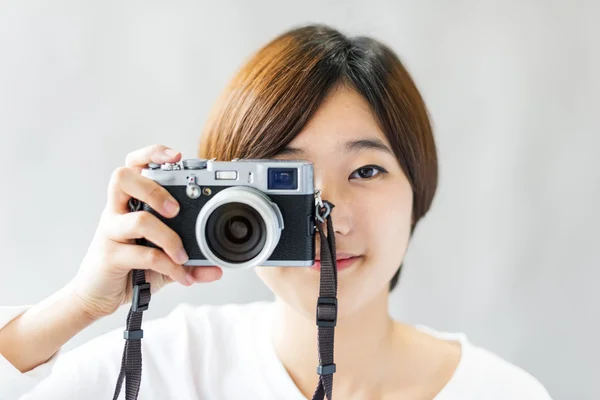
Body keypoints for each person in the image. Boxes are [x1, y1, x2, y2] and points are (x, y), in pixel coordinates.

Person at [0, 24, 552, 400]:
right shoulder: (170, 363)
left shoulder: (501, 391)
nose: (329, 217)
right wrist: (78, 306)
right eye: (285, 180)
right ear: (223, 200)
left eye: (366, 171)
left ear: (419, 190)